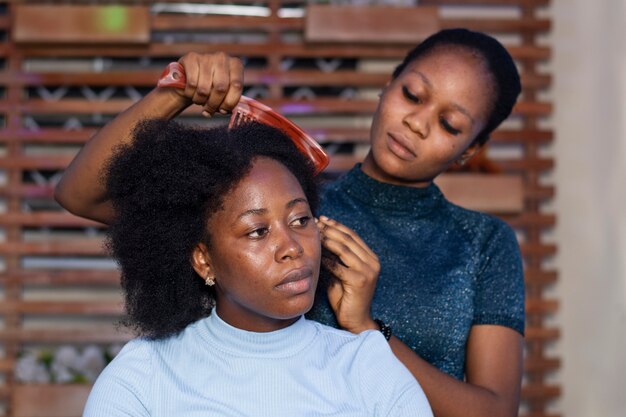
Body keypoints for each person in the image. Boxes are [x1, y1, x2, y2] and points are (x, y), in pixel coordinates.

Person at [56, 28, 524, 417]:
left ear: (470, 150)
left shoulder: (483, 243)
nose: (418, 123)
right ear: (388, 85)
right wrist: (174, 94)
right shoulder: (288, 203)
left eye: (450, 124)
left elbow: (495, 410)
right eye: (413, 94)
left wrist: (366, 329)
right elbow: (79, 195)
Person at [82, 119, 433, 416]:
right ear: (204, 260)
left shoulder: (368, 365)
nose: (292, 248)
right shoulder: (143, 376)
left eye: (300, 220)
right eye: (257, 231)